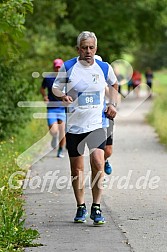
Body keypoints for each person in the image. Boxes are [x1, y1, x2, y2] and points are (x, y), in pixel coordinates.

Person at [52, 31, 118, 225]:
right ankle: (80, 206)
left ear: (96, 48)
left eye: (91, 47)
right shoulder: (69, 67)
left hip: (97, 123)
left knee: (98, 161)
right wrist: (61, 96)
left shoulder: (104, 67)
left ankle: (96, 207)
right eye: (84, 48)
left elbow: (114, 85)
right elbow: (56, 87)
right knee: (77, 169)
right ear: (78, 49)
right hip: (74, 126)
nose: (88, 51)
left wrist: (112, 104)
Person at [40, 58, 66, 158]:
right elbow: (42, 88)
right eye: (56, 67)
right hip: (52, 108)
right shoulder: (48, 78)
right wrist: (44, 96)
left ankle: (60, 150)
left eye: (60, 67)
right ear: (53, 68)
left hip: (63, 108)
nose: (58, 69)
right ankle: (54, 137)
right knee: (54, 131)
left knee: (62, 130)